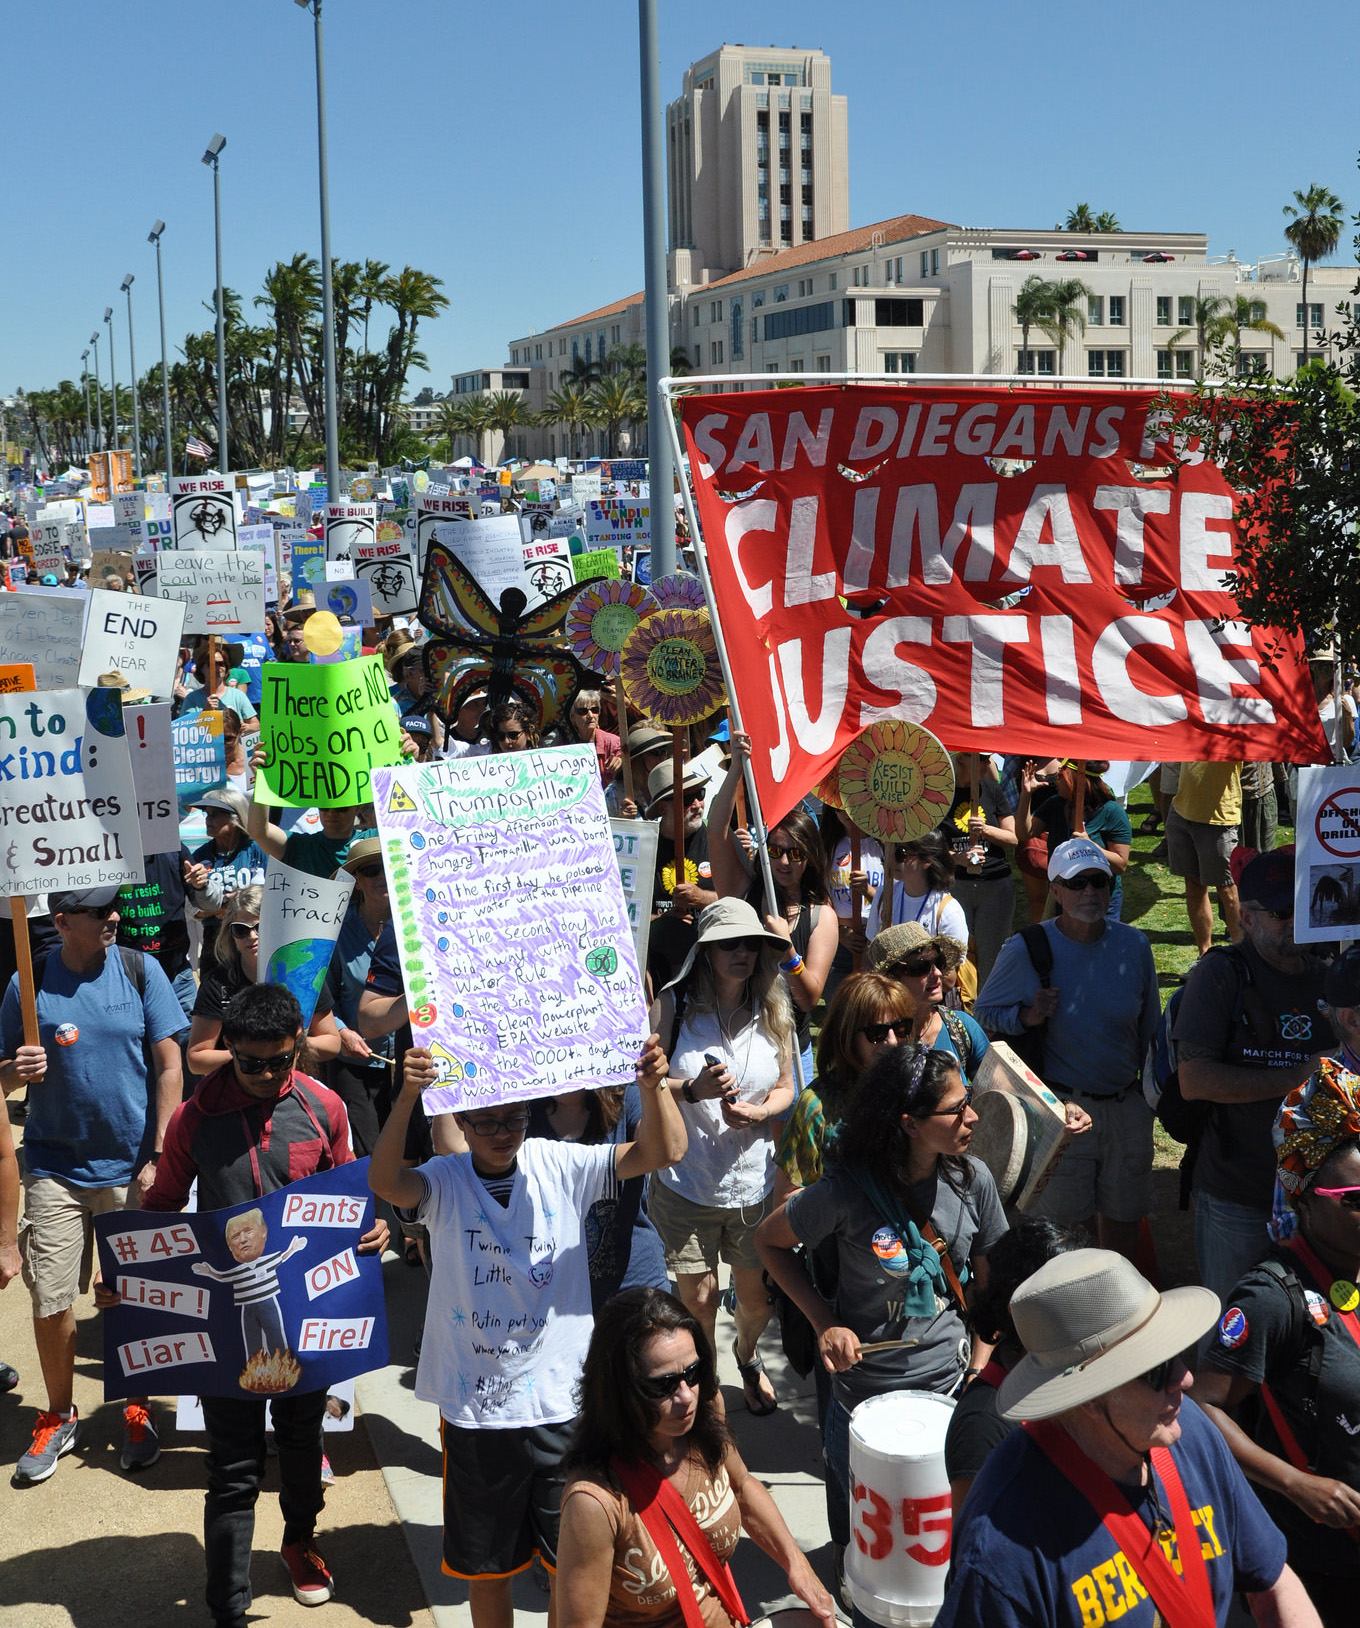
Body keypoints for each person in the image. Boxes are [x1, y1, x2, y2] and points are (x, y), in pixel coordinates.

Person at [367, 1034, 684, 1628]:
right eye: (483, 1121)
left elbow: (664, 1151)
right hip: (477, 1413)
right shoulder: (446, 1180)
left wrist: (653, 1084)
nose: (500, 1131)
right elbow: (387, 1181)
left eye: (511, 1117)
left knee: (576, 1568)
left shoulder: (560, 1163)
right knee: (490, 1572)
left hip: (562, 1402)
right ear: (460, 1119)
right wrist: (408, 1095)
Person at [139, 983, 388, 1627]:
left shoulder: (324, 1105)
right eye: (250, 1063)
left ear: (297, 1045)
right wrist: (132, 1273)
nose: (266, 1075)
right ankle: (227, 1601)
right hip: (227, 1325)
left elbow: (350, 1199)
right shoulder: (194, 1118)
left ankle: (300, 1541)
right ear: (228, 1051)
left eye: (280, 1060)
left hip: (304, 1318)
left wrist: (374, 1228)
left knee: (303, 1444)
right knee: (233, 1466)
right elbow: (164, 1207)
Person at [935, 1248, 1319, 1628]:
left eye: (1178, 1353)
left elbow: (1274, 1585)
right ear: (1088, 1399)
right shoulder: (1003, 1552)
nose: (1185, 1380)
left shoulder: (1190, 1431)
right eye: (1156, 1369)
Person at [759, 1044, 1006, 1595]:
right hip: (861, 1406)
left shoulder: (974, 1182)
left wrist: (979, 1367)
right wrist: (825, 1321)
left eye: (969, 1102)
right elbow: (768, 1242)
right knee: (863, 1542)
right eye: (956, 1109)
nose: (972, 1117)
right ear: (909, 1124)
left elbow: (991, 1289)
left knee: (938, 1541)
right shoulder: (845, 1191)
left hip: (949, 1393)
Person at [4, 887, 186, 1483]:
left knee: (134, 1293)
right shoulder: (26, 985)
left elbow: (169, 1064)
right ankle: (59, 1415)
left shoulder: (141, 969)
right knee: (51, 1297)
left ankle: (137, 1407)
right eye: (96, 912)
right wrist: (14, 1069)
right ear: (61, 922)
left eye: (113, 909)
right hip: (54, 1167)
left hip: (133, 1167)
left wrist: (160, 1154)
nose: (113, 917)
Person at [555, 1286, 836, 1628]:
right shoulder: (594, 1502)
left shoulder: (704, 1416)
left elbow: (742, 1486)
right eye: (664, 1385)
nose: (686, 1396)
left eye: (692, 1373)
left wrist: (798, 1566)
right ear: (619, 1390)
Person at [1197, 1051, 1360, 1627]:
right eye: (1354, 1200)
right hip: (1323, 1562)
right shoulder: (1272, 1297)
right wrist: (1294, 1484)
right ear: (1303, 1201)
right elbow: (1203, 1408)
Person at [975, 838, 1160, 1261]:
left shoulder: (1134, 946)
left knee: (1124, 1227)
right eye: (1076, 884)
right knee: (1066, 1237)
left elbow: (1152, 1030)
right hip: (1063, 1112)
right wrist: (1026, 1016)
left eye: (1099, 881)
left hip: (1126, 1107)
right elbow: (984, 1013)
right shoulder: (1025, 947)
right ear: (1055, 890)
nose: (1090, 892)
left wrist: (1147, 1103)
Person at [649, 899, 796, 1416]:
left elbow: (787, 1086)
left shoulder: (775, 1007)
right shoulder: (674, 1004)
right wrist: (691, 1089)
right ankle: (707, 1386)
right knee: (700, 1299)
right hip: (686, 1180)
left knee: (755, 1302)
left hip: (754, 1185)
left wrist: (760, 1115)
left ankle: (747, 1355)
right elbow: (641, 1084)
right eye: (730, 944)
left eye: (751, 944)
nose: (742, 953)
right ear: (706, 952)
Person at [1175, 846, 1334, 1304]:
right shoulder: (1220, 975)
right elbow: (1195, 1080)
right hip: (1238, 1192)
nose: (1294, 922)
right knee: (1231, 1325)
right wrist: (1298, 1076)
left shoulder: (1331, 978)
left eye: (1301, 908)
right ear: (1245, 917)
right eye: (1280, 912)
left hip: (1318, 1198)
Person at [710, 731, 839, 1084]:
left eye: (795, 853)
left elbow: (811, 999)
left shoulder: (820, 917)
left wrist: (787, 949)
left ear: (810, 857)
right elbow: (715, 829)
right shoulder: (745, 892)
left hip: (790, 1051)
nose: (784, 861)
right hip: (741, 1042)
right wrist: (736, 767)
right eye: (775, 851)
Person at [943, 1216, 1081, 1514]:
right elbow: (975, 1546)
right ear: (1021, 1307)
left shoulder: (1073, 1375)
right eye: (1070, 1294)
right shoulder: (983, 1423)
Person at [528, 1083, 670, 1312]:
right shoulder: (521, 1110)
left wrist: (656, 1084)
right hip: (553, 1290)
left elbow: (668, 1149)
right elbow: (454, 1144)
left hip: (634, 1281)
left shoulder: (628, 1097)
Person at [773, 971, 914, 1200]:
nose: (892, 1041)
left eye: (901, 1029)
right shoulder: (815, 1107)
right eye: (876, 1033)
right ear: (847, 1037)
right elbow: (785, 1199)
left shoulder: (922, 1089)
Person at [187, 887, 341, 1079]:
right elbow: (196, 1059)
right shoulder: (218, 982)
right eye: (240, 930)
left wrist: (281, 1049)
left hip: (293, 1087)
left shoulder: (303, 973)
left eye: (260, 927)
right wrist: (251, 1057)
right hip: (235, 1091)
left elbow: (332, 1043)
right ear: (230, 934)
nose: (251, 936)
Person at [323, 837, 396, 1156]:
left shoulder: (418, 923)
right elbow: (321, 998)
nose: (381, 876)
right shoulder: (335, 932)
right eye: (370, 870)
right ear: (355, 882)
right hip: (355, 1063)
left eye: (387, 867)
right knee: (370, 1153)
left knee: (415, 1153)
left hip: (414, 1062)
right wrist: (340, 1031)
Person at [867, 922, 991, 1082]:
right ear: (891, 980)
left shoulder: (960, 1026)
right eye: (921, 966)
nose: (938, 973)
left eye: (938, 963)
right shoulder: (878, 1042)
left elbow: (999, 1084)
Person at [1015, 758, 1132, 921]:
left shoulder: (1112, 812)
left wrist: (1090, 845)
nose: (1057, 778)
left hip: (1099, 897)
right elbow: (1024, 833)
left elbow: (1120, 864)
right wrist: (1026, 795)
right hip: (1064, 894)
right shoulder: (1055, 804)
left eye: (1061, 773)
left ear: (1075, 778)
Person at [944, 753, 1018, 986]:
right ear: (963, 759)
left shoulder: (991, 790)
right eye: (983, 758)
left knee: (993, 957)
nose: (989, 764)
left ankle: (989, 1015)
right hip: (957, 887)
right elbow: (931, 849)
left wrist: (985, 830)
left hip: (996, 886)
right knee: (955, 956)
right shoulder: (943, 794)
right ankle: (962, 1011)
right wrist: (959, 858)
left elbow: (1013, 838)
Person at [1167, 761, 1244, 956]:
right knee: (1193, 885)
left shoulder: (1231, 729)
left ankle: (1244, 958)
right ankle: (1204, 956)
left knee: (1228, 891)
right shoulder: (1190, 729)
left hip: (1219, 816)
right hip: (1181, 809)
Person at [184, 787, 267, 966]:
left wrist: (239, 904)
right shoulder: (199, 856)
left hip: (254, 938)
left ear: (235, 818)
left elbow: (274, 892)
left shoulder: (256, 850)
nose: (208, 820)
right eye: (207, 814)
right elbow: (190, 908)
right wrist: (220, 909)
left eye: (214, 815)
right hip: (214, 941)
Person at [818, 803, 884, 1002]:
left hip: (877, 939)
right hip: (840, 943)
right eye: (838, 808)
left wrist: (869, 891)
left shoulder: (883, 846)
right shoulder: (827, 846)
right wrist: (840, 932)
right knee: (840, 1006)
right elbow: (821, 895)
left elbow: (895, 898)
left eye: (852, 806)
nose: (846, 813)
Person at [863, 827, 969, 946]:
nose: (890, 858)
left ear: (926, 860)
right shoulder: (884, 894)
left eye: (900, 853)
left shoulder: (948, 911)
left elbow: (953, 963)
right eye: (889, 850)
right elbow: (869, 952)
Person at [646, 758, 717, 920]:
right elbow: (629, 915)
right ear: (662, 808)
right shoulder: (645, 848)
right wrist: (663, 921)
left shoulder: (720, 839)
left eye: (700, 794)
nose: (698, 805)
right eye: (687, 799)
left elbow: (739, 898)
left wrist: (702, 898)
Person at [176, 640, 260, 730]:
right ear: (201, 669)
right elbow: (184, 729)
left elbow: (256, 725)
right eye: (211, 664)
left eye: (221, 664)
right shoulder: (192, 699)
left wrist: (246, 727)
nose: (218, 668)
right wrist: (205, 713)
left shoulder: (238, 695)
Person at [567, 689, 622, 788]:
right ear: (572, 717)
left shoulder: (614, 743)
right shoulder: (565, 745)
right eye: (582, 711)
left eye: (595, 710)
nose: (590, 715)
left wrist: (621, 763)